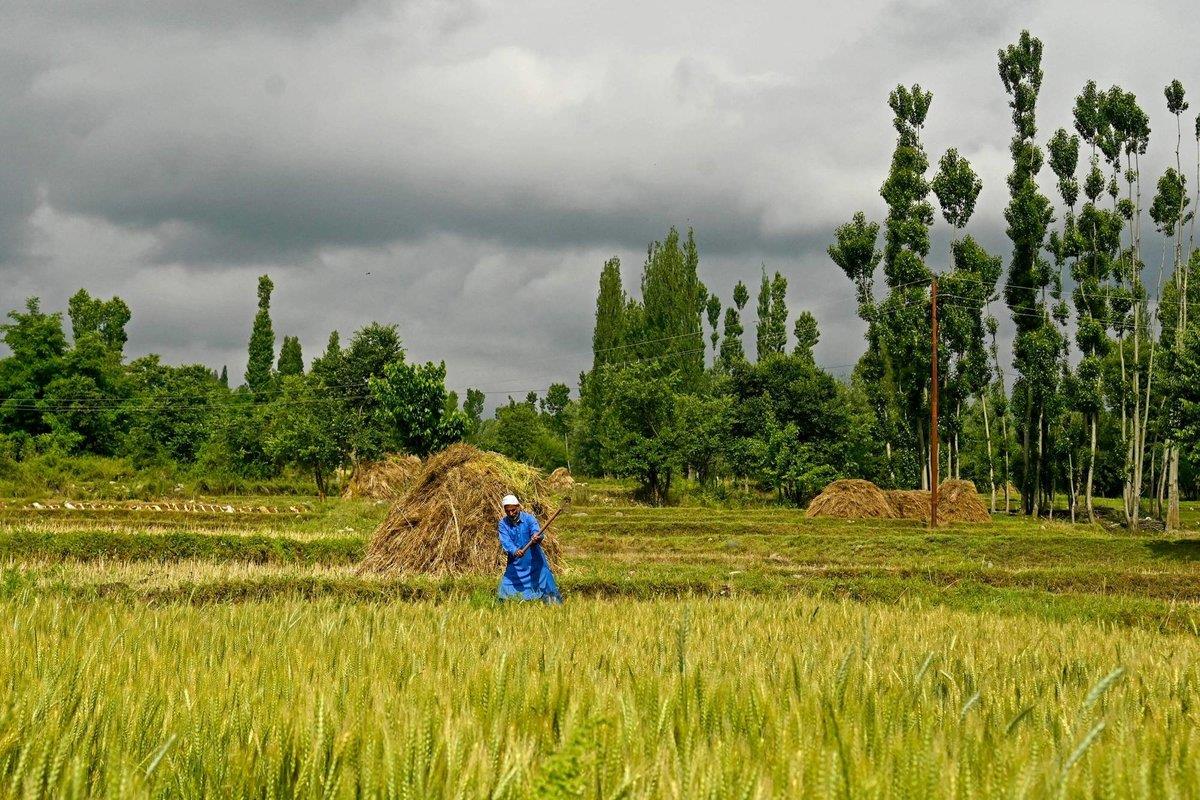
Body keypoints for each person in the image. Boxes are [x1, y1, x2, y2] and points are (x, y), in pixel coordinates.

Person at [497, 494, 562, 603]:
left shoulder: (529, 519)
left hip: (534, 560)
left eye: (513, 510)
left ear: (518, 507)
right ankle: (502, 609)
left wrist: (536, 537)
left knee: (546, 581)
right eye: (507, 511)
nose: (511, 513)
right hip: (516, 563)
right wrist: (515, 550)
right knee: (506, 585)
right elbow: (506, 541)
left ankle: (555, 608)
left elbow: (536, 531)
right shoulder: (503, 524)